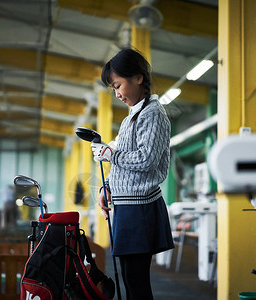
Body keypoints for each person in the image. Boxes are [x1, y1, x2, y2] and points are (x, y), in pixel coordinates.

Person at [90, 48, 174, 300]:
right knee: (127, 277)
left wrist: (110, 154)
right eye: (113, 89)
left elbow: (146, 160)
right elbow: (124, 166)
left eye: (118, 85)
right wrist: (108, 190)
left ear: (138, 78)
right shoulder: (130, 118)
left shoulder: (153, 114)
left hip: (141, 208)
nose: (116, 94)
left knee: (136, 281)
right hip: (126, 207)